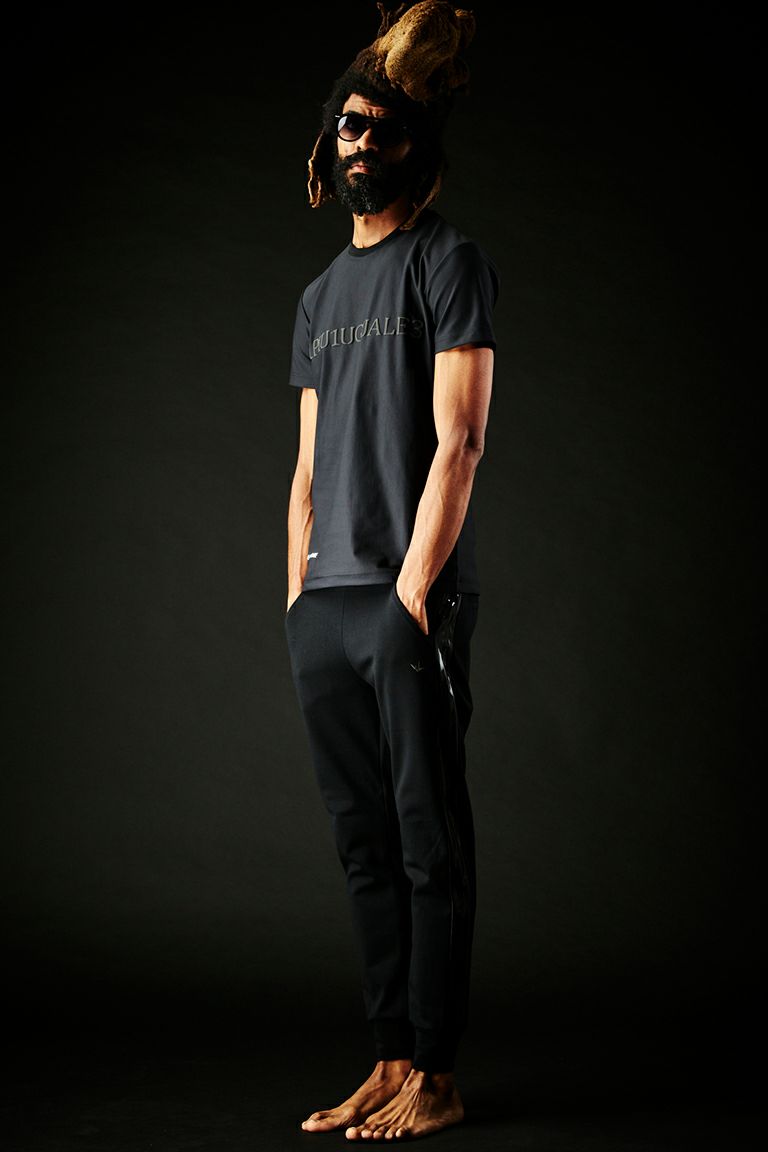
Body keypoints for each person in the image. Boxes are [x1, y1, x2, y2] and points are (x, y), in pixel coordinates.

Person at [284, 1, 498, 1140]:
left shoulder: (449, 262)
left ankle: (439, 1077)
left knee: (427, 844)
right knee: (362, 845)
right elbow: (307, 467)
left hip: (406, 601)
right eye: (349, 127)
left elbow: (459, 441)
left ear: (416, 142)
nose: (363, 143)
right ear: (332, 140)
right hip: (324, 608)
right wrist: (298, 595)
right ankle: (389, 1057)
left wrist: (413, 592)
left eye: (383, 128)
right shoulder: (320, 297)